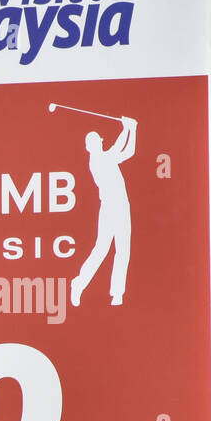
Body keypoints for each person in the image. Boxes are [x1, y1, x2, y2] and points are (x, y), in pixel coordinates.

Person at [70, 116, 136, 307]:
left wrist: (133, 129)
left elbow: (129, 152)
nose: (97, 143)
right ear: (89, 147)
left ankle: (117, 294)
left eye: (98, 141)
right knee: (102, 249)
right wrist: (127, 128)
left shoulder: (106, 157)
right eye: (93, 142)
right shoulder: (98, 160)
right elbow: (119, 148)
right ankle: (78, 284)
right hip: (109, 208)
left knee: (123, 249)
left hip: (123, 205)